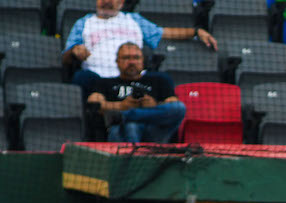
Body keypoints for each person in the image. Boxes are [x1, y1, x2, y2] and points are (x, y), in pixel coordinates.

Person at [62, 0, 217, 96]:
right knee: (80, 78)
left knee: (163, 80)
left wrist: (196, 32)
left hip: (134, 76)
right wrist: (74, 51)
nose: (107, 1)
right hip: (98, 78)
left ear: (121, 2)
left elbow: (164, 32)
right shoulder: (84, 23)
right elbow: (65, 58)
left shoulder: (133, 20)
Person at [87, 42, 186, 144]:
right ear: (117, 61)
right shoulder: (104, 82)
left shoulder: (160, 79)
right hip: (120, 130)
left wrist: (154, 105)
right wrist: (121, 106)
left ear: (143, 60)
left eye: (136, 58)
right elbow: (94, 104)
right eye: (126, 58)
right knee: (131, 125)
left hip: (153, 130)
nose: (132, 62)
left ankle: (124, 116)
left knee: (179, 107)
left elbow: (173, 104)